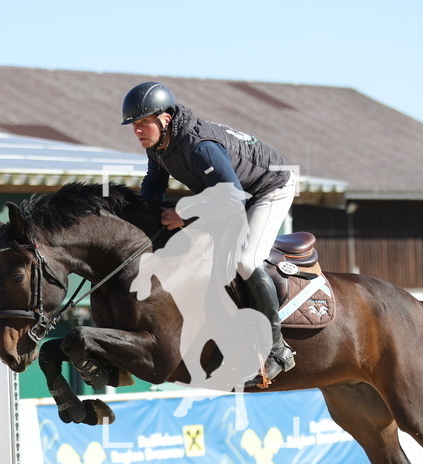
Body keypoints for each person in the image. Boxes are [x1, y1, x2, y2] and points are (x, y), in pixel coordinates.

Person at [121, 81, 297, 386]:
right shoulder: (159, 145)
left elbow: (233, 198)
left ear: (165, 119)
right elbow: (154, 182)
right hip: (233, 193)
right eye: (133, 124)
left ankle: (278, 348)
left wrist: (184, 213)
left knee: (244, 261)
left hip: (268, 190)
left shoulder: (199, 146)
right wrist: (141, 213)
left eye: (142, 122)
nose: (137, 130)